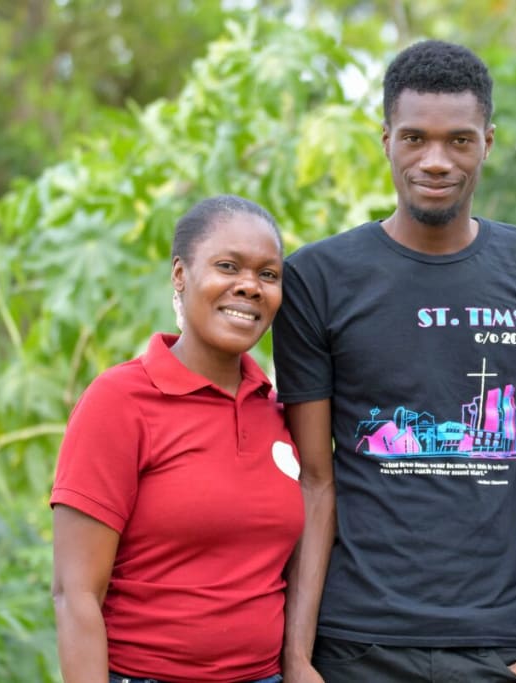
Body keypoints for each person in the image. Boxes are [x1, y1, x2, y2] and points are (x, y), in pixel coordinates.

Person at [272, 40, 516, 683]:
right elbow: (314, 479)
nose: (436, 161)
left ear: (488, 143)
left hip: (497, 643)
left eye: (459, 141)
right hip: (353, 641)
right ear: (385, 139)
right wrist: (297, 656)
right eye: (415, 138)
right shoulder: (318, 278)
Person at [50, 195, 304, 683]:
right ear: (180, 275)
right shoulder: (120, 401)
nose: (249, 286)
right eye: (228, 266)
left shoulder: (277, 410)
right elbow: (74, 593)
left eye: (268, 275)